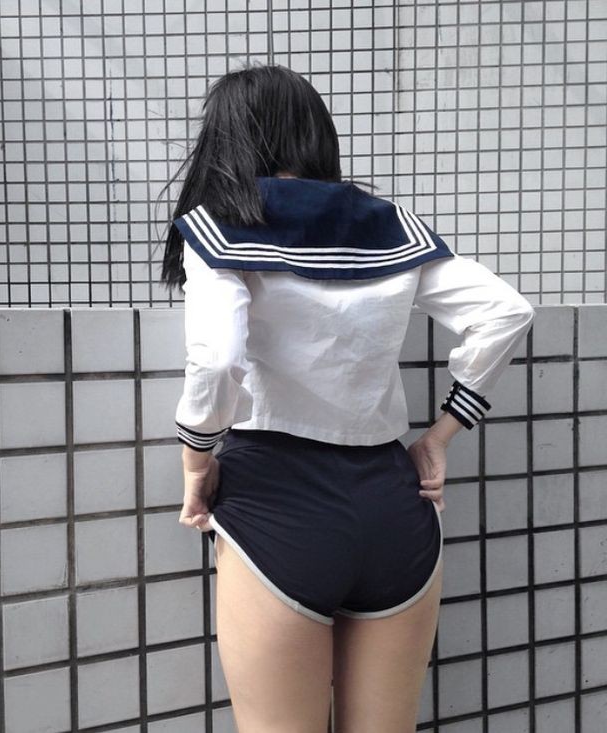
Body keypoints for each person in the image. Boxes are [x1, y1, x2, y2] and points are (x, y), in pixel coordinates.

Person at [160, 64, 535, 733]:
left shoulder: (220, 227)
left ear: (228, 138)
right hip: (393, 502)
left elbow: (217, 357)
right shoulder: (391, 226)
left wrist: (197, 463)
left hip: (276, 505)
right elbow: (506, 312)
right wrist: (440, 436)